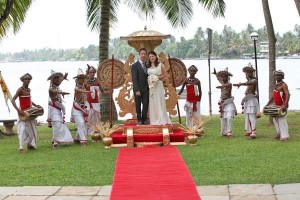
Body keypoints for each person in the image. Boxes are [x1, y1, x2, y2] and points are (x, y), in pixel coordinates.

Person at [11, 73, 42, 153]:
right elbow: (13, 100)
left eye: (29, 79)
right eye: (26, 79)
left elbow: (29, 100)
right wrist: (18, 110)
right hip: (23, 112)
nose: (28, 80)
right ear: (23, 80)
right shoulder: (20, 89)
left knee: (32, 129)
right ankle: (21, 148)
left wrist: (36, 105)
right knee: (23, 129)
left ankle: (30, 145)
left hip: (30, 112)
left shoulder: (29, 90)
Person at [47, 70, 74, 148]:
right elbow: (52, 91)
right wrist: (60, 92)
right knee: (57, 124)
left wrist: (64, 78)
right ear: (52, 79)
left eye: (58, 78)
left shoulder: (56, 85)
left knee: (58, 124)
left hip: (58, 108)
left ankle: (54, 139)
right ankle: (56, 140)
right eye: (56, 78)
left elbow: (59, 83)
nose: (58, 80)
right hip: (54, 108)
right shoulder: (51, 88)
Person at [233, 63, 259, 139]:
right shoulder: (250, 80)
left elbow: (249, 83)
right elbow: (248, 83)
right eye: (246, 73)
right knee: (247, 116)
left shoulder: (254, 80)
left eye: (249, 73)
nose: (247, 74)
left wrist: (241, 84)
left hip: (251, 100)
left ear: (252, 73)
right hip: (248, 99)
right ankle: (249, 131)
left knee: (252, 116)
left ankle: (253, 132)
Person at [147, 50, 171, 125]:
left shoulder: (160, 65)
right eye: (150, 56)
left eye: (152, 56)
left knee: (159, 101)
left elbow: (164, 75)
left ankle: (161, 118)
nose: (151, 58)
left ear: (155, 56)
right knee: (153, 101)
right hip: (151, 87)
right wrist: (150, 79)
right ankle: (154, 119)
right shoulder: (147, 65)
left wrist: (157, 78)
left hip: (159, 85)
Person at [265, 70, 290, 142]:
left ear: (282, 77)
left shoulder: (283, 85)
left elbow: (287, 94)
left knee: (282, 120)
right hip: (276, 105)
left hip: (282, 105)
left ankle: (285, 137)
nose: (277, 76)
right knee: (275, 120)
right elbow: (274, 96)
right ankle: (279, 133)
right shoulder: (276, 85)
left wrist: (285, 105)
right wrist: (268, 103)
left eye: (279, 75)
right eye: (276, 75)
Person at [71, 68, 92, 146]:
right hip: (77, 108)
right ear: (77, 79)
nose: (82, 80)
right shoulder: (76, 87)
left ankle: (77, 138)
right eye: (80, 78)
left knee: (83, 123)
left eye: (83, 78)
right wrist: (85, 92)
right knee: (81, 123)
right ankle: (83, 140)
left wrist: (87, 71)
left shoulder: (84, 85)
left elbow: (88, 80)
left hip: (84, 107)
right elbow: (77, 90)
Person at [215, 68, 237, 138]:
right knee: (223, 118)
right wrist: (216, 74)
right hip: (222, 102)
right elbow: (218, 79)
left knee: (229, 117)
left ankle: (229, 132)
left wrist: (221, 86)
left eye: (225, 76)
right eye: (222, 76)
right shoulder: (222, 83)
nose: (223, 78)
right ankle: (224, 131)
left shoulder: (229, 84)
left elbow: (224, 86)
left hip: (229, 102)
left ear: (228, 77)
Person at [85, 65, 106, 134]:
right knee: (88, 116)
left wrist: (110, 91)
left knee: (96, 116)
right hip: (88, 101)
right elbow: (81, 90)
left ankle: (96, 130)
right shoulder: (85, 81)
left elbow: (103, 92)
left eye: (93, 72)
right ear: (88, 73)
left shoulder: (97, 81)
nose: (92, 74)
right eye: (90, 72)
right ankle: (87, 130)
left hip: (96, 102)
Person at [131, 48, 149, 125]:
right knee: (138, 105)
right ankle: (139, 120)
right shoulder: (134, 65)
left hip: (146, 89)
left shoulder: (147, 65)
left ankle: (144, 119)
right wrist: (136, 90)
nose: (143, 55)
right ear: (139, 55)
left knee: (145, 104)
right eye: (142, 54)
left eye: (145, 54)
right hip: (138, 88)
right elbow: (134, 79)